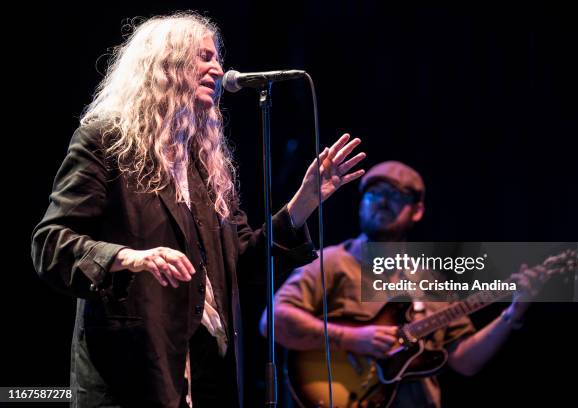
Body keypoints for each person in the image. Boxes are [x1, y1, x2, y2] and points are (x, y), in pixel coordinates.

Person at [31, 12, 366, 408]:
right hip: (136, 373)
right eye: (204, 56)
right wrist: (128, 258)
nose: (218, 68)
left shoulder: (205, 164)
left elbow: (243, 261)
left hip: (210, 372)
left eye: (217, 58)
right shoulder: (105, 142)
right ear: (166, 63)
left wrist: (305, 201)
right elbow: (50, 243)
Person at [261, 160, 545, 408]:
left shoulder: (432, 281)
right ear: (360, 204)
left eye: (396, 195)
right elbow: (273, 320)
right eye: (373, 193)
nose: (382, 201)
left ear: (417, 210)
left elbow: (464, 361)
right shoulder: (329, 263)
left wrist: (513, 314)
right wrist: (352, 338)